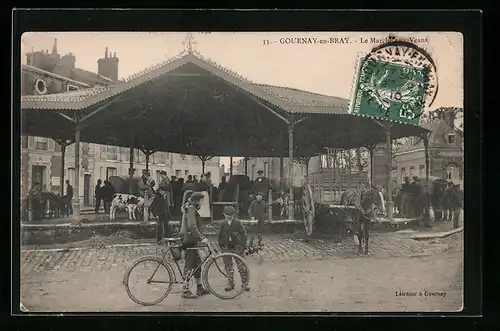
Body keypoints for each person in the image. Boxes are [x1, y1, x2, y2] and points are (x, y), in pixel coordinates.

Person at [179, 191, 210, 299]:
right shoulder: (191, 208)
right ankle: (185, 290)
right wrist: (201, 238)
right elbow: (192, 226)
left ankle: (199, 287)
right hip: (189, 240)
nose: (202, 203)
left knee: (197, 263)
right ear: (197, 200)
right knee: (189, 264)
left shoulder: (190, 207)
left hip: (192, 240)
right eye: (201, 200)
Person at [217, 205, 249, 292]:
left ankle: (244, 283)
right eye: (227, 215)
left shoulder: (238, 223)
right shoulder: (222, 224)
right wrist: (222, 246)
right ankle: (230, 283)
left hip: (237, 247)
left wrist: (241, 246)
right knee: (228, 266)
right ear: (224, 214)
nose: (229, 216)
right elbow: (219, 236)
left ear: (234, 214)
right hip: (226, 247)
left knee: (241, 266)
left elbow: (243, 235)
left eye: (231, 215)